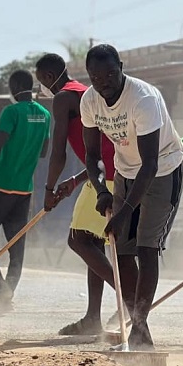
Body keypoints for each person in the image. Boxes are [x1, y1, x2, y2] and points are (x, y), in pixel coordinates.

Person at [80, 44, 183, 351]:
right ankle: (139, 328)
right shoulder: (90, 101)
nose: (104, 82)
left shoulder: (143, 99)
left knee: (146, 246)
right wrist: (101, 191)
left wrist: (125, 211)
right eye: (96, 77)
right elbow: (92, 155)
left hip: (164, 168)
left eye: (111, 73)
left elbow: (150, 163)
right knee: (121, 250)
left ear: (121, 67)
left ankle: (139, 328)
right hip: (126, 171)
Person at [35, 53, 119, 336]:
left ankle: (130, 295)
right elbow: (96, 151)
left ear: (48, 78)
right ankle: (92, 319)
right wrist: (73, 181)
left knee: (78, 239)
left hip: (108, 176)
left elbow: (58, 151)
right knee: (92, 241)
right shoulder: (85, 92)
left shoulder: (64, 98)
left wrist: (48, 190)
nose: (43, 90)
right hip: (112, 171)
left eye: (41, 83)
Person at [0, 70, 52, 311]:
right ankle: (8, 291)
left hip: (0, 184)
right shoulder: (45, 115)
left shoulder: (11, 112)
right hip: (24, 190)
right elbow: (43, 152)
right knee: (16, 243)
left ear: (16, 86)